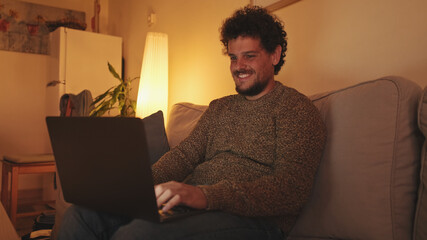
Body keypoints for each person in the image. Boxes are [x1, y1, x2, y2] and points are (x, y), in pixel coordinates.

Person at [58, 5, 326, 240]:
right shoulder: (220, 108)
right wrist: (135, 188)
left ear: (275, 55)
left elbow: (291, 189)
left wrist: (206, 196)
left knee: (138, 235)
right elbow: (183, 157)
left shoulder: (296, 110)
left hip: (255, 223)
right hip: (192, 209)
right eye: (233, 57)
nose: (238, 66)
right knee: (82, 215)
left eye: (250, 56)